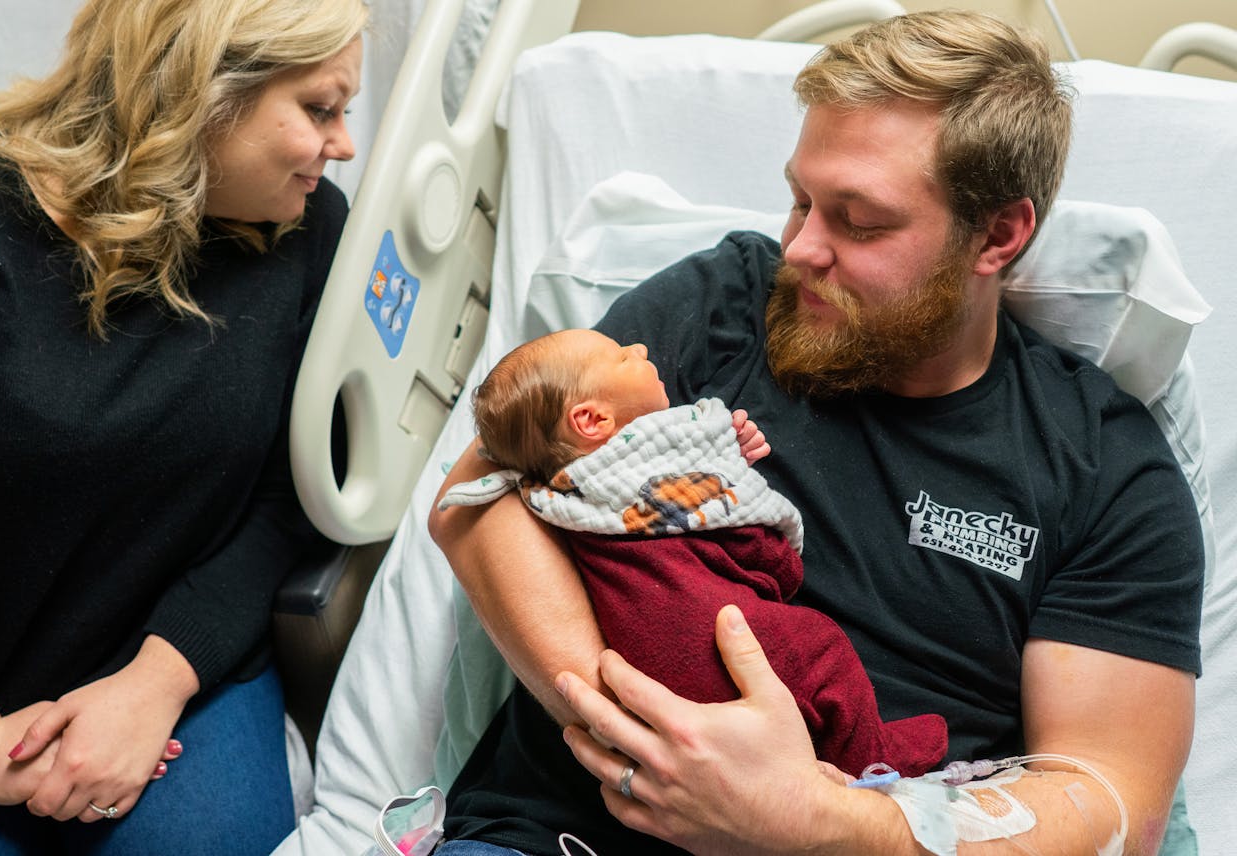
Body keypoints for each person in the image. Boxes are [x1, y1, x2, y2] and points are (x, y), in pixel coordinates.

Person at [429, 10, 1202, 856]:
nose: (799, 247)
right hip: (564, 834)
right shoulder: (714, 309)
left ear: (998, 234)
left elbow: (1108, 800)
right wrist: (645, 741)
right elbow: (478, 498)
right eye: (799, 198)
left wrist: (807, 822)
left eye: (859, 221)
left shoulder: (1101, 467)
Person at [0, 0, 366, 852]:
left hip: (167, 668)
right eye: (320, 109)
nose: (344, 146)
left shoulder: (305, 233)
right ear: (202, 94)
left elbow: (284, 505)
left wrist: (158, 679)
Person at [439, 328, 948, 783]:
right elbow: (757, 557)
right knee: (822, 652)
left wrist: (723, 457)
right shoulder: (642, 494)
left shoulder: (567, 492)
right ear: (592, 419)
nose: (639, 345)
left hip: (644, 661)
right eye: (621, 357)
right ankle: (873, 763)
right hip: (698, 651)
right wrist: (748, 508)